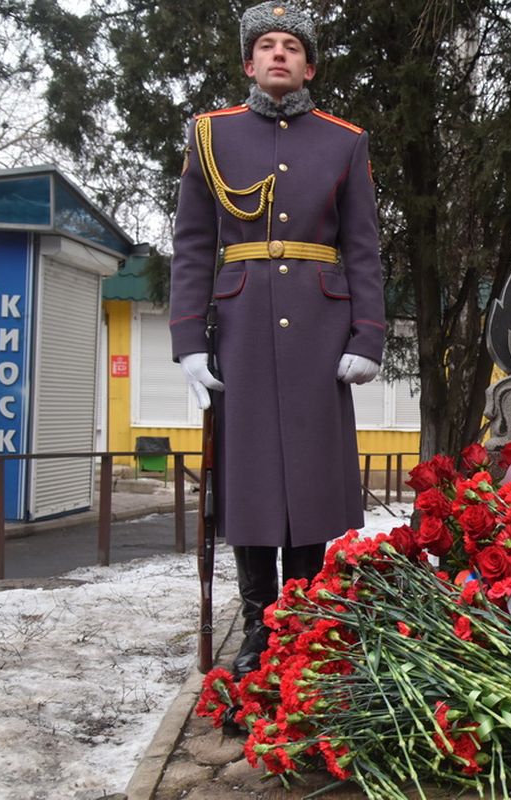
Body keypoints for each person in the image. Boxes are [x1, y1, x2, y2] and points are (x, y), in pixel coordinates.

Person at [170, 1, 386, 676]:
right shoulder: (211, 135)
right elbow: (193, 244)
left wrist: (368, 334)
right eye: (266, 44)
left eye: (292, 45)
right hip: (238, 328)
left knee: (314, 481)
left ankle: (305, 620)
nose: (279, 54)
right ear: (248, 62)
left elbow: (363, 247)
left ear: (309, 63)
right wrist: (188, 340)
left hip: (321, 331)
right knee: (252, 480)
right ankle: (261, 628)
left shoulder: (344, 140)